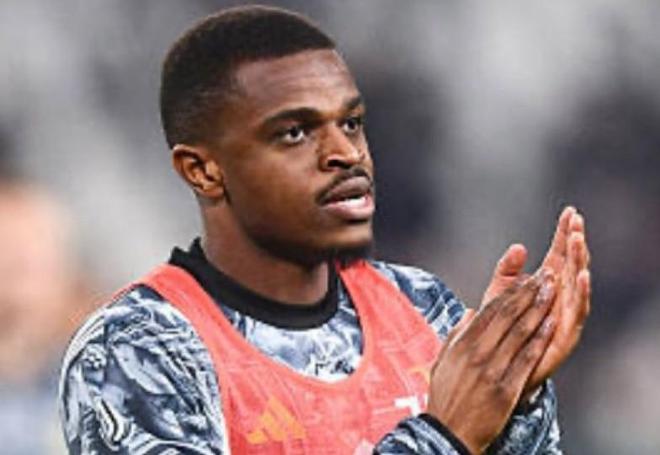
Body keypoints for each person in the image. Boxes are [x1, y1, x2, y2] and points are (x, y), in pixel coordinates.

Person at [58, 5, 591, 454]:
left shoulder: (422, 307)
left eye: (351, 123)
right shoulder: (138, 349)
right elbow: (448, 439)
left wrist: (515, 399)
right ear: (203, 170)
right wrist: (442, 436)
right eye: (295, 132)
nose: (345, 153)